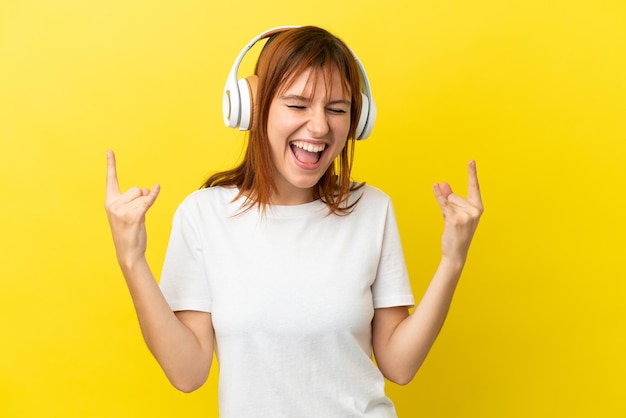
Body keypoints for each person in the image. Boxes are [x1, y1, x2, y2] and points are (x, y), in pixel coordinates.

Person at [104, 26, 483, 418]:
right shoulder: (204, 216)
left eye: (337, 108)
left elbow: (399, 366)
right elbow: (187, 373)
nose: (319, 127)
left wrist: (452, 260)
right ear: (253, 107)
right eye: (298, 105)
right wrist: (132, 260)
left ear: (358, 119)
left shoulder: (372, 209)